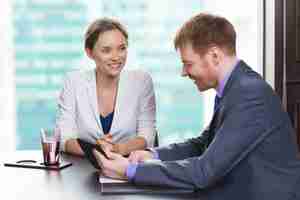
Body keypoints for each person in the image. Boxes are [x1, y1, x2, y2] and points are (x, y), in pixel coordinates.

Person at [93, 13, 300, 200]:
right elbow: (203, 144)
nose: (184, 72)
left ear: (215, 56)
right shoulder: (236, 88)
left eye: (188, 63)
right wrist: (152, 154)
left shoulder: (249, 95)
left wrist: (130, 171)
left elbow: (204, 171)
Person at [56, 18, 156, 156]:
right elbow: (64, 139)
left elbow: (147, 136)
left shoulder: (141, 81)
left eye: (122, 48)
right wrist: (95, 152)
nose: (116, 57)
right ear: (89, 53)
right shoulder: (73, 82)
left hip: (128, 165)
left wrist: (120, 149)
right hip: (83, 167)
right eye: (106, 50)